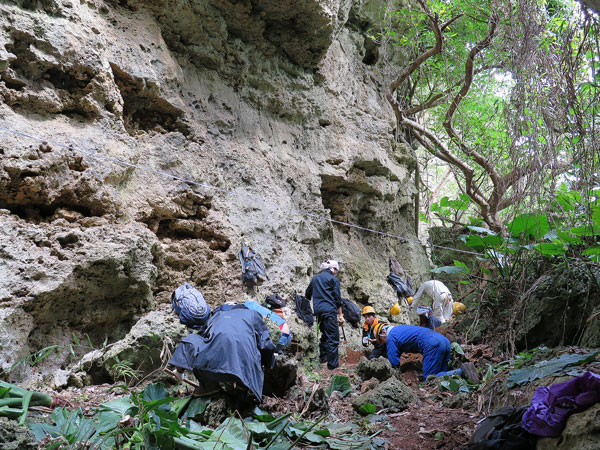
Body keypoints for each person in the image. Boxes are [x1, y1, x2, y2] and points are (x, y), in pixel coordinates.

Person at [169, 306, 277, 403]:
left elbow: (201, 337)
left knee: (193, 339)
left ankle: (208, 386)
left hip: (211, 370)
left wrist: (179, 370)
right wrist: (269, 364)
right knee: (253, 348)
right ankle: (245, 388)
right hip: (245, 373)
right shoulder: (253, 314)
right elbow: (265, 344)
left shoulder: (217, 316)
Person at [373, 323, 479, 383]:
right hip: (443, 341)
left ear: (383, 333)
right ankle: (466, 374)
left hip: (432, 344)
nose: (383, 344)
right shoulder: (400, 328)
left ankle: (462, 371)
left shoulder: (391, 336)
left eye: (381, 341)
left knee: (430, 379)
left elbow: (394, 362)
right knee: (442, 375)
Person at [305, 259, 344, 370]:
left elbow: (307, 294)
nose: (336, 272)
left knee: (325, 335)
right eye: (336, 270)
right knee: (333, 337)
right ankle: (333, 367)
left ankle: (324, 359)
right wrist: (341, 316)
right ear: (333, 269)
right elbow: (337, 299)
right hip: (330, 311)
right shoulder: (334, 279)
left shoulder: (315, 278)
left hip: (318, 312)